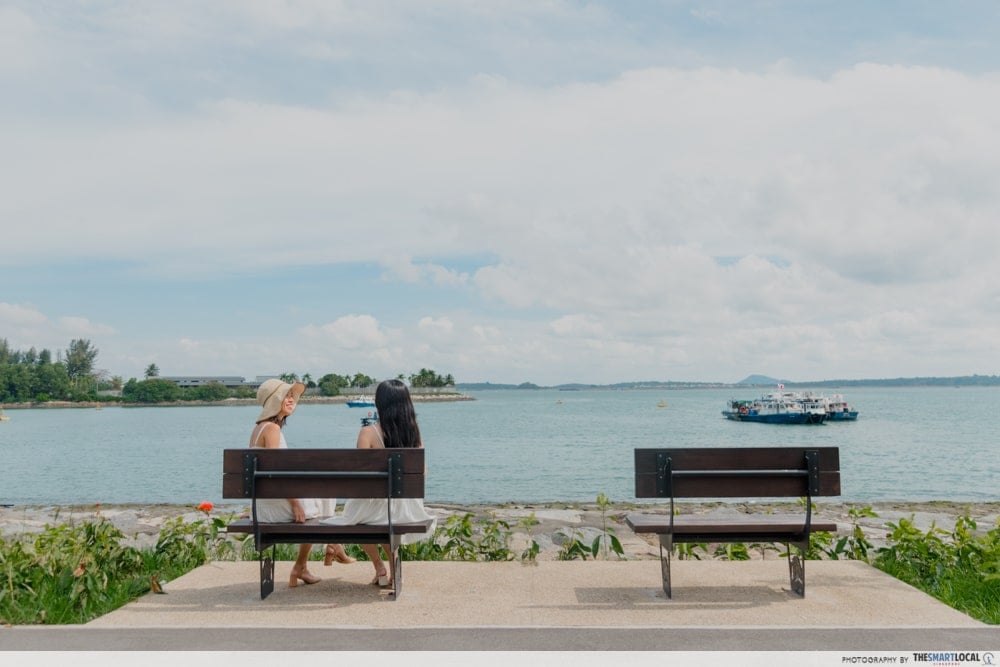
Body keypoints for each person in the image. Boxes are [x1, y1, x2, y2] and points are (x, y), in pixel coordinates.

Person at [249, 378, 354, 588]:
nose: (290, 400)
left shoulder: (261, 428)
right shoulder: (272, 430)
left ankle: (320, 554)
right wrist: (296, 503)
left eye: (291, 396)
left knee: (323, 494)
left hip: (264, 504)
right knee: (324, 497)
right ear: (274, 401)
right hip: (273, 508)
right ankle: (327, 549)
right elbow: (274, 472)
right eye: (285, 396)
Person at [337, 379, 437, 586]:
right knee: (383, 515)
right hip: (407, 508)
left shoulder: (368, 433)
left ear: (378, 403)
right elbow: (421, 473)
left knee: (353, 516)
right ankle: (392, 571)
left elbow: (360, 477)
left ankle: (379, 566)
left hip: (380, 507)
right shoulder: (413, 433)